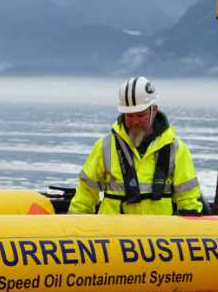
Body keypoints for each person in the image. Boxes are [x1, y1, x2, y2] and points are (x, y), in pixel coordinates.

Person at [68, 76, 202, 215]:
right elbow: (86, 193)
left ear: (154, 110)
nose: (134, 121)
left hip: (159, 234)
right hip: (112, 233)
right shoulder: (105, 146)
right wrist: (73, 227)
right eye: (129, 116)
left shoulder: (176, 149)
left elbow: (188, 197)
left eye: (140, 115)